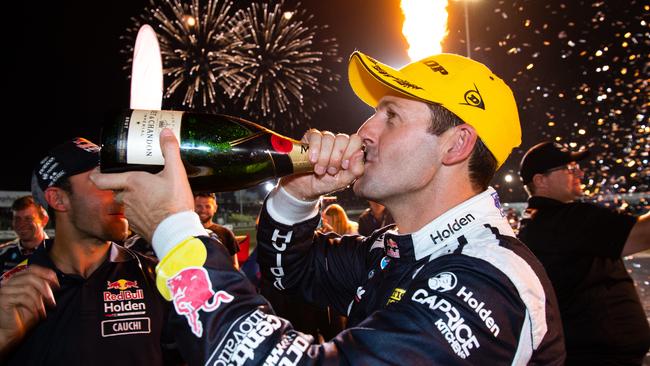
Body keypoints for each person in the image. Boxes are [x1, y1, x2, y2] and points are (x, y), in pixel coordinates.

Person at [90, 51, 565, 364]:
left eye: (391, 116)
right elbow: (288, 274)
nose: (364, 132)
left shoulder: (493, 279)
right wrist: (300, 192)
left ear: (456, 145)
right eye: (373, 112)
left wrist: (175, 231)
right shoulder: (393, 251)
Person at [0, 138, 179, 365]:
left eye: (120, 181)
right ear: (58, 199)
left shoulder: (157, 277)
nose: (122, 193)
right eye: (103, 181)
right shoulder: (12, 292)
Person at [518, 141, 650, 364]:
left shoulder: (538, 221)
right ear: (541, 180)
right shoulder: (567, 220)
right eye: (568, 169)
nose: (579, 172)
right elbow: (644, 235)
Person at [0, 196, 49, 276]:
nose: (22, 224)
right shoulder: (3, 252)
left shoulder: (58, 254)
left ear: (44, 220)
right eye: (17, 219)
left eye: (28, 219)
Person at [194, 192, 239, 269]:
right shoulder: (186, 233)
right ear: (193, 207)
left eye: (208, 206)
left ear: (215, 208)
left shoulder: (226, 233)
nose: (203, 210)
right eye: (199, 206)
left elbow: (234, 265)